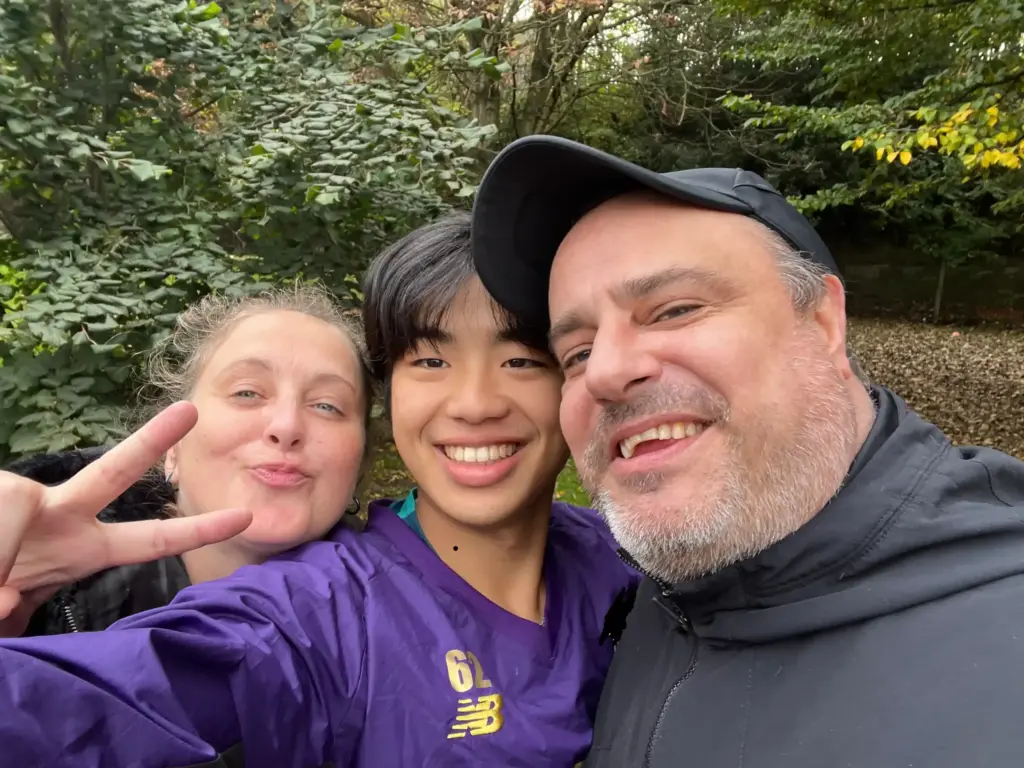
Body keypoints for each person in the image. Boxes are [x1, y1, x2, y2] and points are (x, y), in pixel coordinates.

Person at [0, 212, 638, 767]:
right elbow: (87, 705)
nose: (475, 404)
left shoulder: (626, 554)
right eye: (430, 361)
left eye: (522, 360)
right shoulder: (317, 611)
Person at [469, 135, 1024, 767]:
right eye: (577, 353)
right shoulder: (665, 591)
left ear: (824, 323)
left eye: (674, 310)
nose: (606, 372)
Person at [0, 284, 373, 637]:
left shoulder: (396, 625)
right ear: (174, 449)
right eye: (246, 392)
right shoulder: (32, 574)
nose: (286, 426)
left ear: (357, 465)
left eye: (327, 405)